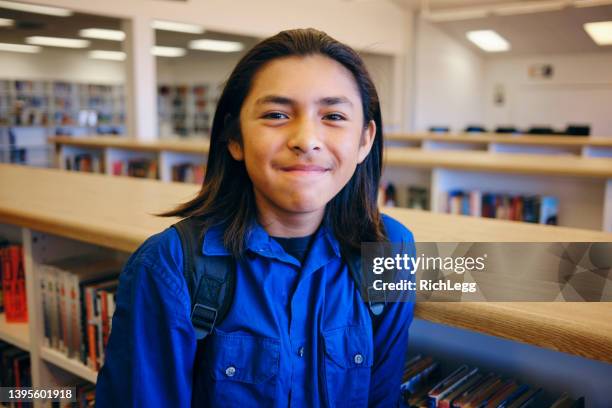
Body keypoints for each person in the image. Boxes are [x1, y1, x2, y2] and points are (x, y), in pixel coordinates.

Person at [96, 28, 415, 407]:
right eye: (276, 114)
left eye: (333, 115)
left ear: (365, 140)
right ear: (235, 139)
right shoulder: (169, 265)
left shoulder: (390, 249)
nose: (307, 139)